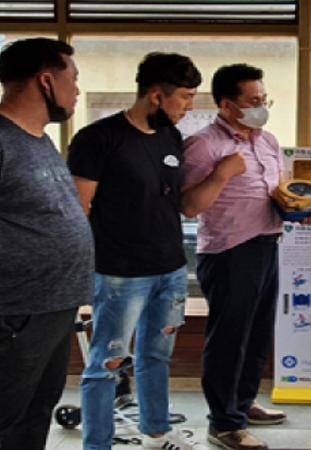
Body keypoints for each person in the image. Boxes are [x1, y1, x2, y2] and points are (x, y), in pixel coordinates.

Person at [67, 52, 205, 450]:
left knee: (156, 356)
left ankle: (157, 431)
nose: (189, 107)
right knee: (106, 364)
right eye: (185, 97)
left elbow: (173, 199)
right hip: (120, 274)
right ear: (157, 96)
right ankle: (98, 444)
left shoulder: (170, 136)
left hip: (171, 269)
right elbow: (78, 209)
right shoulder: (98, 139)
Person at [182, 63, 288, 450]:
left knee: (257, 333)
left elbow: (277, 190)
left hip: (267, 243)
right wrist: (222, 174)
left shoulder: (267, 141)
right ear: (226, 104)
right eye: (253, 101)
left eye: (264, 99)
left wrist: (298, 208)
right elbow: (189, 205)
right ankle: (224, 424)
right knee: (230, 337)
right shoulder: (204, 144)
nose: (261, 107)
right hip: (229, 250)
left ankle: (242, 404)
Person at [0, 38, 94, 450]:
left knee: (36, 413)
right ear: (45, 81)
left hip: (53, 307)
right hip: (15, 312)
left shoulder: (38, 140)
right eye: (72, 78)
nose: (77, 90)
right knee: (7, 417)